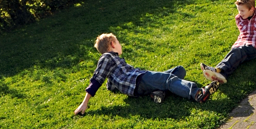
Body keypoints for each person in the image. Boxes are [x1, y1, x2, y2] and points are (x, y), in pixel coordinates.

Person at [73, 33, 219, 115]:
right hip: (138, 80)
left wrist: (112, 85)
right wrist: (84, 103)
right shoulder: (107, 57)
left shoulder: (114, 61)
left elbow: (110, 84)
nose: (120, 45)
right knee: (168, 79)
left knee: (179, 70)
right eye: (118, 42)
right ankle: (197, 93)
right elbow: (97, 79)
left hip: (140, 81)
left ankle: (158, 93)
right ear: (112, 44)